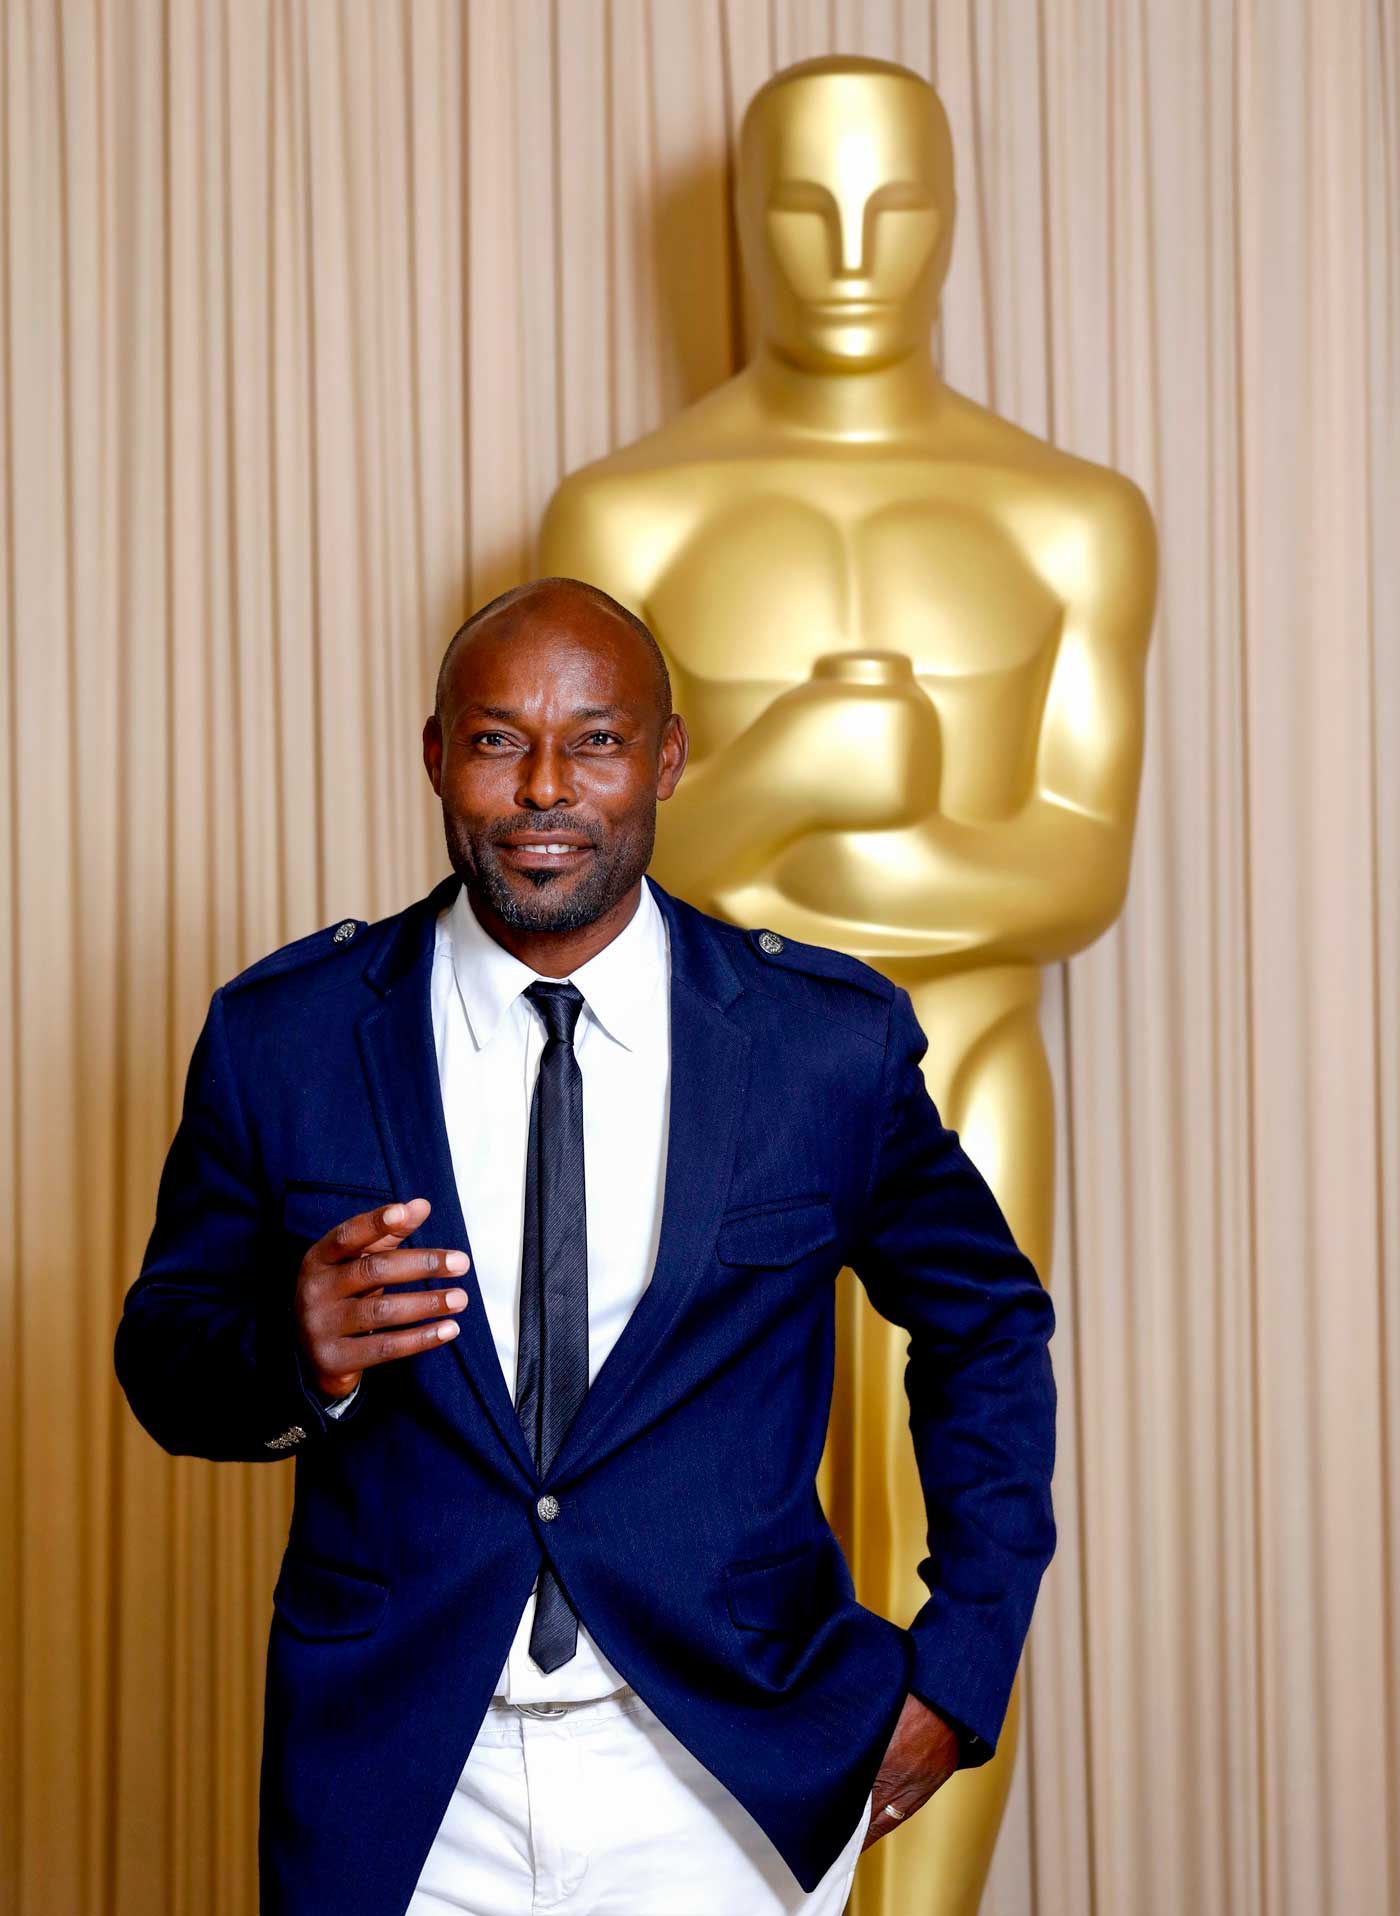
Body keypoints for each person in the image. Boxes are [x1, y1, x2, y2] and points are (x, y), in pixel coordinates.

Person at [114, 577, 1057, 1916]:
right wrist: (293, 1351)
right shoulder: (289, 1036)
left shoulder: (818, 1048)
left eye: (597, 741)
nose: (545, 787)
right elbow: (165, 1357)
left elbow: (988, 1325)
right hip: (400, 1788)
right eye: (499, 741)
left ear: (666, 759)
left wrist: (960, 1669)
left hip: (723, 1773)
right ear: (439, 757)